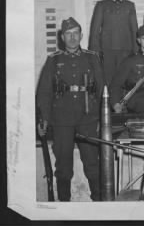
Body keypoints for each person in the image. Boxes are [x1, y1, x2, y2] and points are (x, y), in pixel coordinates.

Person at [37, 17, 104, 201]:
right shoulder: (53, 60)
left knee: (92, 163)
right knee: (64, 166)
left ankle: (99, 205)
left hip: (88, 118)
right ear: (62, 37)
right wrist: (44, 118)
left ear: (81, 35)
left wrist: (101, 118)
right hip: (62, 120)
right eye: (68, 34)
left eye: (76, 33)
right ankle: (64, 207)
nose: (73, 37)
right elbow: (44, 92)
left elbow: (101, 89)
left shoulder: (92, 57)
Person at [88, 0, 139, 84]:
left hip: (126, 51)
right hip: (107, 51)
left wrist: (136, 51)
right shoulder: (101, 5)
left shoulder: (129, 5)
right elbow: (95, 31)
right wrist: (95, 52)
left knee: (125, 81)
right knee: (108, 81)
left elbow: (135, 30)